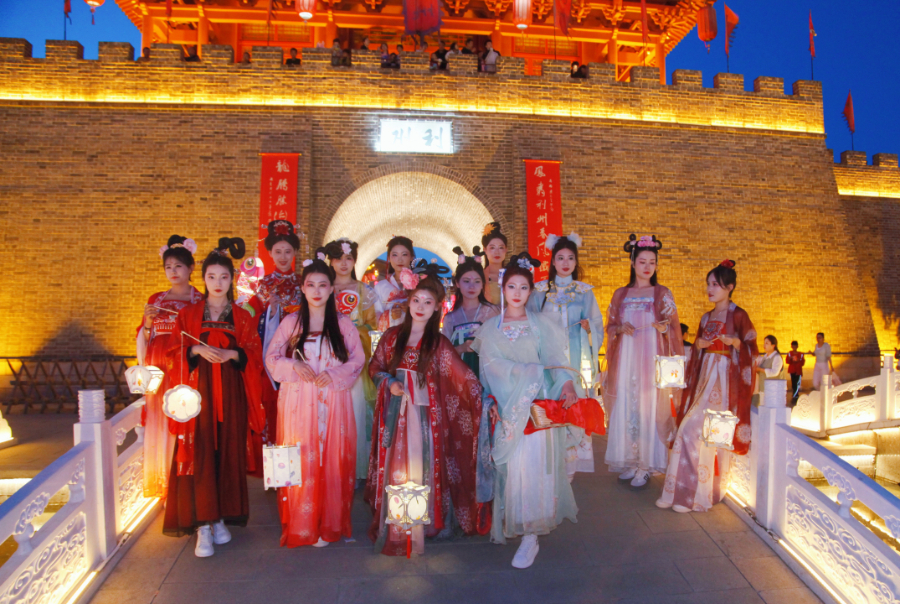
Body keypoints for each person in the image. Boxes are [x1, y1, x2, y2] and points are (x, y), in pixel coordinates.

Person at [365, 261, 483, 556]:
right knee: (398, 468)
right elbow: (375, 367)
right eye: (416, 300)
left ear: (437, 308)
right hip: (396, 414)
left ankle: (422, 522)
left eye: (428, 302)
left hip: (426, 419)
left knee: (422, 466)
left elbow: (463, 378)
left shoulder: (439, 343)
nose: (420, 306)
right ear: (408, 302)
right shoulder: (392, 337)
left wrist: (486, 398)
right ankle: (399, 524)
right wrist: (389, 381)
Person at [472, 252, 580, 569]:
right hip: (509, 406)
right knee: (514, 468)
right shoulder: (490, 328)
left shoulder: (540, 325)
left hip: (538, 406)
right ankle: (516, 520)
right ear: (502, 289)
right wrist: (522, 373)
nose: (517, 293)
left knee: (536, 465)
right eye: (511, 287)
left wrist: (567, 384)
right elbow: (489, 367)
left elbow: (555, 360)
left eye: (523, 287)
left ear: (530, 291)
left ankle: (531, 534)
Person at [164, 238, 267, 557]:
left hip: (232, 394)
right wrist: (195, 349)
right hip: (199, 396)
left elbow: (254, 353)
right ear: (204, 278)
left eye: (224, 277)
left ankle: (220, 517)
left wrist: (232, 354)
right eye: (212, 277)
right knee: (202, 452)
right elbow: (173, 352)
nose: (218, 283)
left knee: (228, 451)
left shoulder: (242, 316)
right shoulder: (189, 314)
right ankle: (203, 526)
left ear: (231, 279)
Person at [265, 257, 365, 547]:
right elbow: (271, 358)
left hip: (333, 399)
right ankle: (302, 521)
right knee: (302, 455)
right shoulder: (291, 322)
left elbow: (358, 359)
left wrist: (334, 373)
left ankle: (329, 522)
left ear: (332, 289)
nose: (317, 291)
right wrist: (294, 365)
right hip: (298, 401)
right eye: (311, 285)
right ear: (303, 288)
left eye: (323, 285)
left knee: (331, 457)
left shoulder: (343, 323)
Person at [657, 260, 758, 513]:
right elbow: (697, 349)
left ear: (729, 287)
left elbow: (752, 349)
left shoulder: (739, 315)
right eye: (708, 284)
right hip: (704, 381)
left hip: (725, 384)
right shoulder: (706, 317)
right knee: (687, 430)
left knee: (707, 435)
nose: (709, 289)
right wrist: (700, 345)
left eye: (715, 284)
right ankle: (676, 491)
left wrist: (735, 343)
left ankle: (700, 494)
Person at [603, 235, 683, 488]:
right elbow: (610, 326)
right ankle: (631, 459)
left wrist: (663, 328)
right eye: (642, 261)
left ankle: (647, 464)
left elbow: (675, 327)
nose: (647, 266)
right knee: (628, 404)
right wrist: (619, 328)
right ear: (632, 263)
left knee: (649, 405)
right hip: (626, 358)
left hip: (651, 357)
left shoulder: (662, 293)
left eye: (652, 262)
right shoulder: (620, 294)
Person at [528, 233, 604, 478]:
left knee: (572, 406)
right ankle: (548, 462)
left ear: (576, 261)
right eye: (560, 257)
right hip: (547, 362)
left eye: (570, 258)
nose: (565, 262)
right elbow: (529, 322)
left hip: (573, 359)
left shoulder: (584, 292)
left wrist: (587, 329)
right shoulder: (540, 291)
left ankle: (569, 467)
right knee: (549, 404)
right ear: (552, 261)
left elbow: (597, 325)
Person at [137, 235, 203, 498]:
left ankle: (185, 484)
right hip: (158, 368)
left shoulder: (199, 300)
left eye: (178, 266)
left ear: (191, 268)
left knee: (184, 417)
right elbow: (145, 335)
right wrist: (148, 324)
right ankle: (163, 483)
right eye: (168, 267)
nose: (173, 272)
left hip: (184, 366)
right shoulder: (156, 299)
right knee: (160, 421)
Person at [246, 220, 303, 474]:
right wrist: (270, 311)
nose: (283, 256)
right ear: (269, 253)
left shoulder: (304, 282)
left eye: (288, 251)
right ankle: (275, 471)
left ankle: (299, 465)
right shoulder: (263, 286)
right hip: (272, 354)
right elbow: (250, 320)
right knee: (272, 407)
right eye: (278, 251)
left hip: (300, 352)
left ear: (295, 253)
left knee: (299, 407)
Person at [323, 238, 377, 482]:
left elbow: (372, 324)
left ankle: (355, 470)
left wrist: (354, 329)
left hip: (355, 357)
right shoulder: (324, 287)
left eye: (348, 258)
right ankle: (332, 467)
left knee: (355, 409)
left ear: (354, 261)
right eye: (338, 258)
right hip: (328, 356)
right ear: (331, 261)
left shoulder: (364, 291)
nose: (343, 263)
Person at [442, 246, 500, 378]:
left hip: (488, 376)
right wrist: (461, 348)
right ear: (457, 283)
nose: (472, 286)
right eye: (466, 281)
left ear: (482, 284)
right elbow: (443, 355)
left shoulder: (492, 311)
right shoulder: (450, 318)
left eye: (477, 281)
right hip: (459, 379)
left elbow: (502, 347)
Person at [374, 236, 414, 331]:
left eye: (404, 254)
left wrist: (412, 311)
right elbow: (374, 316)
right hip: (390, 336)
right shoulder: (380, 287)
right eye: (395, 255)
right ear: (389, 258)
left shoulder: (419, 284)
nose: (400, 260)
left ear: (411, 257)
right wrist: (390, 315)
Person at [753, 335, 785, 406]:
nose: (764, 345)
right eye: (764, 343)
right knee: (763, 408)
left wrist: (760, 369)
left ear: (773, 345)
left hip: (773, 390)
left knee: (772, 408)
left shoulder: (777, 357)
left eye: (767, 343)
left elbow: (775, 372)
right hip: (763, 388)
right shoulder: (765, 357)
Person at [482, 222, 508, 305]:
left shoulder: (512, 275)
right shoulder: (480, 276)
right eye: (492, 247)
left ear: (506, 249)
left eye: (501, 247)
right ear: (485, 250)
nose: (497, 252)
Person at [786, 341, 805, 406]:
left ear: (797, 346)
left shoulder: (800, 354)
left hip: (798, 370)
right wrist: (790, 359)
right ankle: (795, 395)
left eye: (795, 346)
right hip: (792, 370)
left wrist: (799, 360)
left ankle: (796, 395)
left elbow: (802, 362)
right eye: (793, 346)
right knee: (793, 383)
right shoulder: (790, 353)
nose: (794, 347)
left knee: (797, 383)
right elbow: (787, 361)